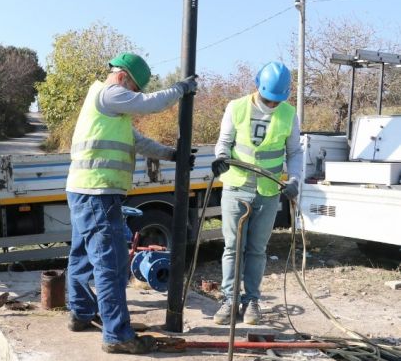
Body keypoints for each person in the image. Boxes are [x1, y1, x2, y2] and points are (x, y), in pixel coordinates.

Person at [65, 52, 198, 354]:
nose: (133, 95)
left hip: (84, 191)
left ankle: (80, 314)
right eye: (134, 88)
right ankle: (117, 336)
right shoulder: (110, 93)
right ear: (123, 76)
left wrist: (171, 154)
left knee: (82, 257)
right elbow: (149, 104)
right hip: (97, 193)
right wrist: (181, 88)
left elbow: (138, 141)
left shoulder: (111, 110)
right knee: (110, 265)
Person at [210, 61, 303, 325]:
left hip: (268, 191)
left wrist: (295, 179)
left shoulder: (288, 114)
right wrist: (220, 158)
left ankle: (251, 301)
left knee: (257, 250)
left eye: (276, 100)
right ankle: (229, 300)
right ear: (258, 86)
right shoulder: (236, 107)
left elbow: (294, 152)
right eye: (268, 99)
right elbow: (224, 142)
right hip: (237, 188)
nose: (272, 104)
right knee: (232, 247)